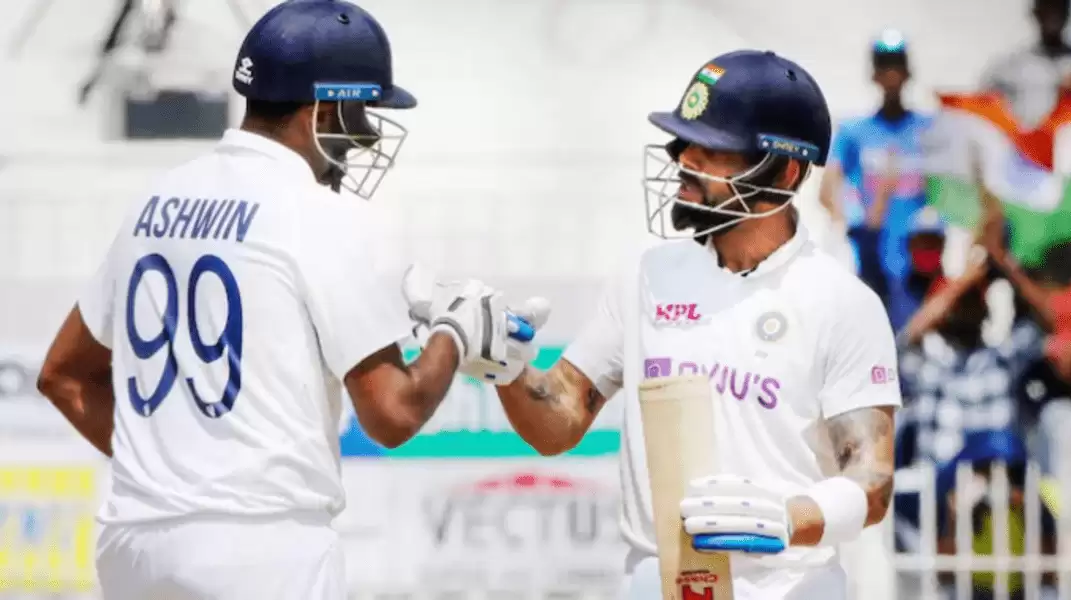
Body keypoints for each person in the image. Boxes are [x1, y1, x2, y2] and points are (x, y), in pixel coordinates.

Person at [35, 1, 525, 598]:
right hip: (261, 550)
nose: (366, 137)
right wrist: (455, 330)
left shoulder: (156, 199)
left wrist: (171, 482)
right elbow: (393, 415)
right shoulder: (323, 215)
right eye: (361, 117)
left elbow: (63, 376)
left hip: (134, 545)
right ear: (322, 110)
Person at [488, 50, 901, 599]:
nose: (684, 159)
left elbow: (871, 483)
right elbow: (557, 425)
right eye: (685, 142)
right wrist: (505, 367)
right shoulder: (647, 274)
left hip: (787, 587)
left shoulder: (842, 301)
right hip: (655, 584)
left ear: (785, 171)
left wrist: (788, 517)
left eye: (713, 148)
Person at [817, 30, 934, 331]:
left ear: (908, 71)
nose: (891, 74)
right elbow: (829, 189)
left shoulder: (929, 130)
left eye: (897, 65)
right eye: (884, 65)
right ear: (874, 74)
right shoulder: (854, 131)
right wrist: (853, 221)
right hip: (868, 259)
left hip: (917, 264)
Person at [981, 0, 1071, 128]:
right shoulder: (1010, 69)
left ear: (1067, 14)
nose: (1053, 15)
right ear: (1036, 13)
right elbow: (984, 107)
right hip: (1023, 137)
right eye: (1047, 9)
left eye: (1058, 10)